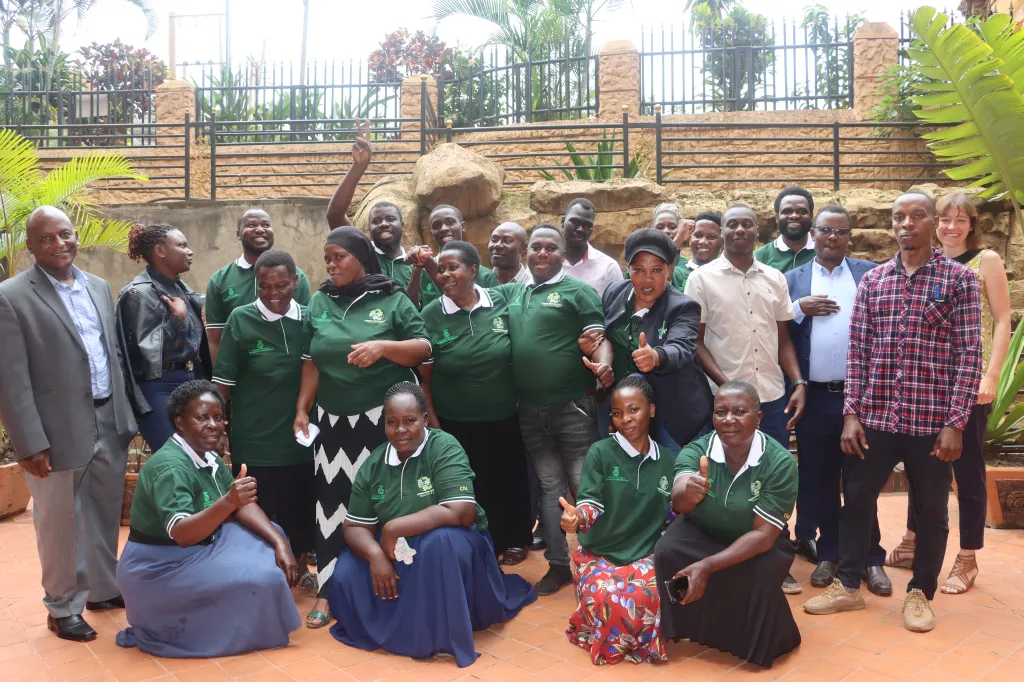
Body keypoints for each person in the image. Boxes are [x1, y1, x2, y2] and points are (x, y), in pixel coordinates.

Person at [803, 192, 982, 633]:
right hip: (877, 420)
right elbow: (858, 354)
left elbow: (969, 355)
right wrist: (851, 415)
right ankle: (848, 586)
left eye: (917, 216)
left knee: (932, 513)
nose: (907, 224)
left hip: (931, 424)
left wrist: (955, 423)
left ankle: (920, 592)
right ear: (892, 225)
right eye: (898, 217)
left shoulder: (959, 280)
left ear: (934, 223)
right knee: (858, 502)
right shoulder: (875, 281)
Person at [0, 207, 137, 642]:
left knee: (102, 512)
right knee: (58, 521)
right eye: (47, 239)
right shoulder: (11, 295)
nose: (60, 244)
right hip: (53, 428)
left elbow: (111, 354)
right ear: (31, 246)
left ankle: (101, 590)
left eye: (66, 234)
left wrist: (123, 418)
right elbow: (11, 376)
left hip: (105, 417)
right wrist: (28, 442)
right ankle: (61, 607)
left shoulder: (98, 286)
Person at [327, 382, 536, 668]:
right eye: (392, 422)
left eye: (409, 421)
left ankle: (436, 637)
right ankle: (394, 629)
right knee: (346, 570)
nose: (401, 430)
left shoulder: (444, 446)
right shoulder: (374, 463)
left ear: (425, 419)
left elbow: (463, 512)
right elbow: (353, 526)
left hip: (455, 543)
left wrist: (392, 528)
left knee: (440, 546)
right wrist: (376, 555)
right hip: (396, 549)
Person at [294, 226, 432, 629]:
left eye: (339, 257)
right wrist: (303, 410)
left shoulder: (389, 297)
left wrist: (384, 348)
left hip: (381, 424)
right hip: (332, 423)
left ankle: (391, 581)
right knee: (332, 506)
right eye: (327, 259)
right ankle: (328, 591)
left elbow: (424, 347)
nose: (331, 265)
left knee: (382, 503)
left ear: (361, 257)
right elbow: (310, 361)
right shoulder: (319, 300)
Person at [116, 380, 301, 657]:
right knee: (263, 577)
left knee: (271, 533)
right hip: (159, 568)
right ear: (180, 422)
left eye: (218, 417)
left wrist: (282, 545)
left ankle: (239, 609)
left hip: (199, 546)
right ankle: (219, 626)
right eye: (202, 418)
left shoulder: (206, 456)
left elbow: (245, 507)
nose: (213, 425)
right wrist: (229, 501)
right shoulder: (171, 467)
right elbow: (182, 534)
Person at [886, 192, 1009, 595]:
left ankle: (968, 556)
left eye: (960, 220)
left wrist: (991, 374)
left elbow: (1003, 318)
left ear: (972, 224)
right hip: (931, 384)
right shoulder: (926, 263)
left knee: (967, 470)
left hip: (969, 383)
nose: (951, 227)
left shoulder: (984, 261)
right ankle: (912, 539)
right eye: (944, 219)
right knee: (922, 466)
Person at [684, 203, 806, 594]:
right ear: (721, 233)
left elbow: (783, 339)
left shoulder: (775, 278)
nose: (739, 230)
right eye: (731, 224)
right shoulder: (701, 279)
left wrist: (798, 381)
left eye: (746, 224)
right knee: (724, 481)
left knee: (772, 477)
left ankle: (775, 556)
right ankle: (724, 554)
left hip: (770, 397)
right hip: (725, 403)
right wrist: (726, 387)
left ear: (758, 231)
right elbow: (695, 342)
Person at [499, 224, 614, 595]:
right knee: (550, 488)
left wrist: (604, 367)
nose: (542, 253)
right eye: (536, 247)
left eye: (551, 248)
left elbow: (599, 339)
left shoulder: (578, 292)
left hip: (573, 408)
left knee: (584, 485)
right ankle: (559, 564)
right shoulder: (512, 294)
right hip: (530, 409)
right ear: (526, 252)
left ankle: (598, 560)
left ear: (563, 255)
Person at [654, 381, 800, 668]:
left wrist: (707, 566)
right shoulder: (697, 450)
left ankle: (752, 640)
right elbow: (680, 502)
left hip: (754, 539)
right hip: (702, 530)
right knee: (667, 551)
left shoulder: (779, 462)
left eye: (739, 411)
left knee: (758, 571)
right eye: (720, 412)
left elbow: (763, 534)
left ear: (758, 418)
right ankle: (685, 629)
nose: (729, 419)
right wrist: (687, 492)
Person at [785, 207, 890, 595]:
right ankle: (829, 553)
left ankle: (871, 558)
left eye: (840, 231)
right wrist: (800, 308)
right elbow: (777, 326)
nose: (832, 237)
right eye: (825, 230)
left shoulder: (869, 274)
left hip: (860, 397)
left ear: (850, 236)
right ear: (813, 234)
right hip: (813, 397)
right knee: (821, 479)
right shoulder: (792, 279)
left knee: (862, 481)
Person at [419, 241, 533, 565]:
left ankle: (514, 539)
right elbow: (424, 378)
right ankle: (478, 543)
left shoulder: (500, 300)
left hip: (502, 416)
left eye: (453, 267)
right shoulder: (431, 314)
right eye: (441, 269)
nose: (445, 274)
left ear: (473, 271)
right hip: (454, 420)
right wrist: (436, 427)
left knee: (508, 480)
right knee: (469, 484)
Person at [211, 249, 315, 571]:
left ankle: (300, 568)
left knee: (300, 511)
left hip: (301, 442)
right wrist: (214, 429)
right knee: (260, 514)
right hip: (255, 441)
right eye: (264, 286)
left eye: (282, 285)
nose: (273, 294)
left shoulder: (311, 319)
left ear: (296, 282)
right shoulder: (240, 319)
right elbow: (223, 386)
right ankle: (265, 578)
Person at [562, 375, 675, 665]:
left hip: (646, 553)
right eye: (616, 413)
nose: (625, 419)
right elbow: (590, 503)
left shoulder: (668, 461)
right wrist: (577, 517)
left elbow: (675, 515)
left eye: (633, 410)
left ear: (651, 409)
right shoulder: (600, 452)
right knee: (611, 598)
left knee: (645, 596)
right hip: (600, 553)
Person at [596, 228, 712, 450]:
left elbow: (682, 348)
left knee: (676, 478)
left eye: (656, 270)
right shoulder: (614, 292)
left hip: (674, 414)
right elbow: (607, 334)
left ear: (669, 271)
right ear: (627, 269)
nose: (647, 279)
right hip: (630, 413)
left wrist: (657, 356)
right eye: (638, 270)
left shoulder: (683, 306)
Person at [116, 223, 210, 452]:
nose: (190, 251)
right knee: (174, 457)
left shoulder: (180, 289)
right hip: (159, 387)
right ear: (160, 251)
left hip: (192, 380)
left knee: (198, 457)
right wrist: (177, 319)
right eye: (182, 245)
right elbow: (143, 354)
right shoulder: (137, 293)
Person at [204, 207, 313, 364]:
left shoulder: (295, 276)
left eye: (266, 225)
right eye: (252, 225)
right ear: (237, 234)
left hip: (290, 368)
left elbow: (306, 328)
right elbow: (215, 339)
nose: (260, 229)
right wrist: (219, 377)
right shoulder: (220, 280)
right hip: (243, 371)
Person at [323, 121, 415, 286]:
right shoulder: (362, 254)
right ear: (369, 228)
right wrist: (359, 166)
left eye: (390, 219)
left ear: (403, 224)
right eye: (376, 221)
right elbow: (334, 216)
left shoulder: (414, 262)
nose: (383, 224)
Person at [407, 205, 500, 308]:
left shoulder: (485, 275)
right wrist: (417, 268)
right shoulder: (422, 273)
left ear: (463, 226)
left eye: (450, 222)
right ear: (432, 233)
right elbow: (411, 311)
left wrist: (430, 265)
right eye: (436, 226)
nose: (443, 229)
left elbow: (494, 312)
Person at [561, 198, 622, 297]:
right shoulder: (545, 262)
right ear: (562, 222)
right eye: (575, 222)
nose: (580, 229)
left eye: (587, 225)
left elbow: (618, 308)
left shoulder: (609, 268)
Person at [755, 186, 816, 273]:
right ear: (777, 218)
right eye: (787, 211)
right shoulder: (760, 258)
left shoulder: (823, 253)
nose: (794, 216)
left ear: (811, 216)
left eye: (802, 211)